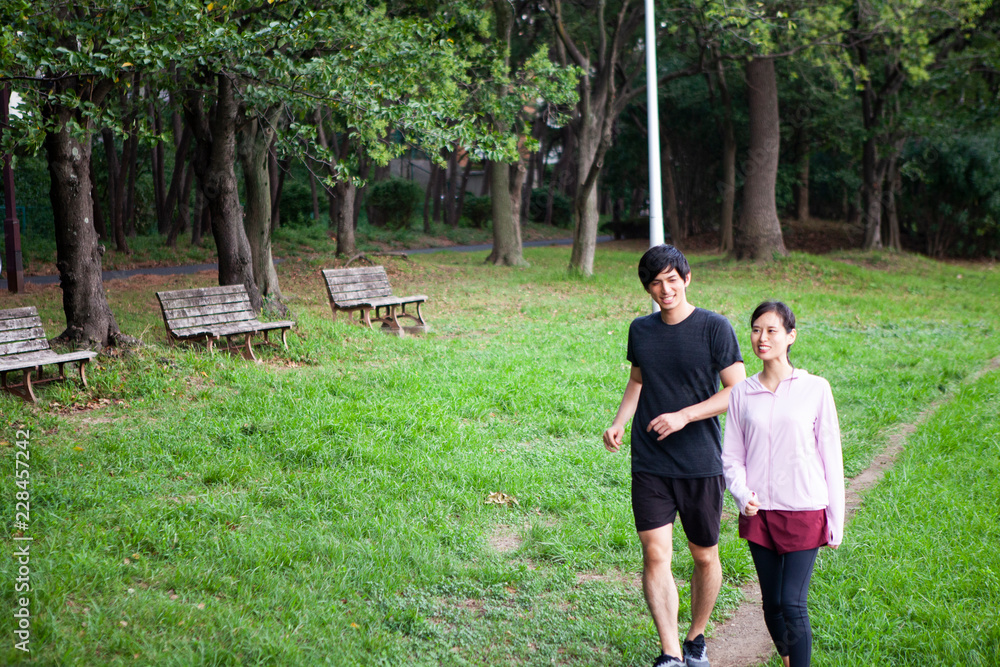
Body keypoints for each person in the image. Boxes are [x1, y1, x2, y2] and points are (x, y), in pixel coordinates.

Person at [604, 244, 746, 667]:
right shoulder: (641, 330)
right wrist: (620, 420)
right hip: (650, 459)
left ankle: (695, 638)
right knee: (655, 553)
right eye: (655, 283)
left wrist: (686, 415)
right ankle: (669, 652)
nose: (664, 289)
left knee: (704, 555)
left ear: (686, 279)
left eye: (671, 279)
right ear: (647, 288)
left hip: (701, 459)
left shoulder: (714, 327)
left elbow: (737, 390)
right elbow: (638, 379)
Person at [721, 301, 845, 667]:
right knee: (772, 605)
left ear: (791, 336)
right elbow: (731, 457)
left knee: (793, 603)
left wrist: (835, 521)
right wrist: (743, 495)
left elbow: (831, 456)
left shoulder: (815, 389)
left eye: (772, 330)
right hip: (760, 514)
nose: (762, 338)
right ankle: (791, 658)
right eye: (756, 329)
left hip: (805, 511)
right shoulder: (742, 392)